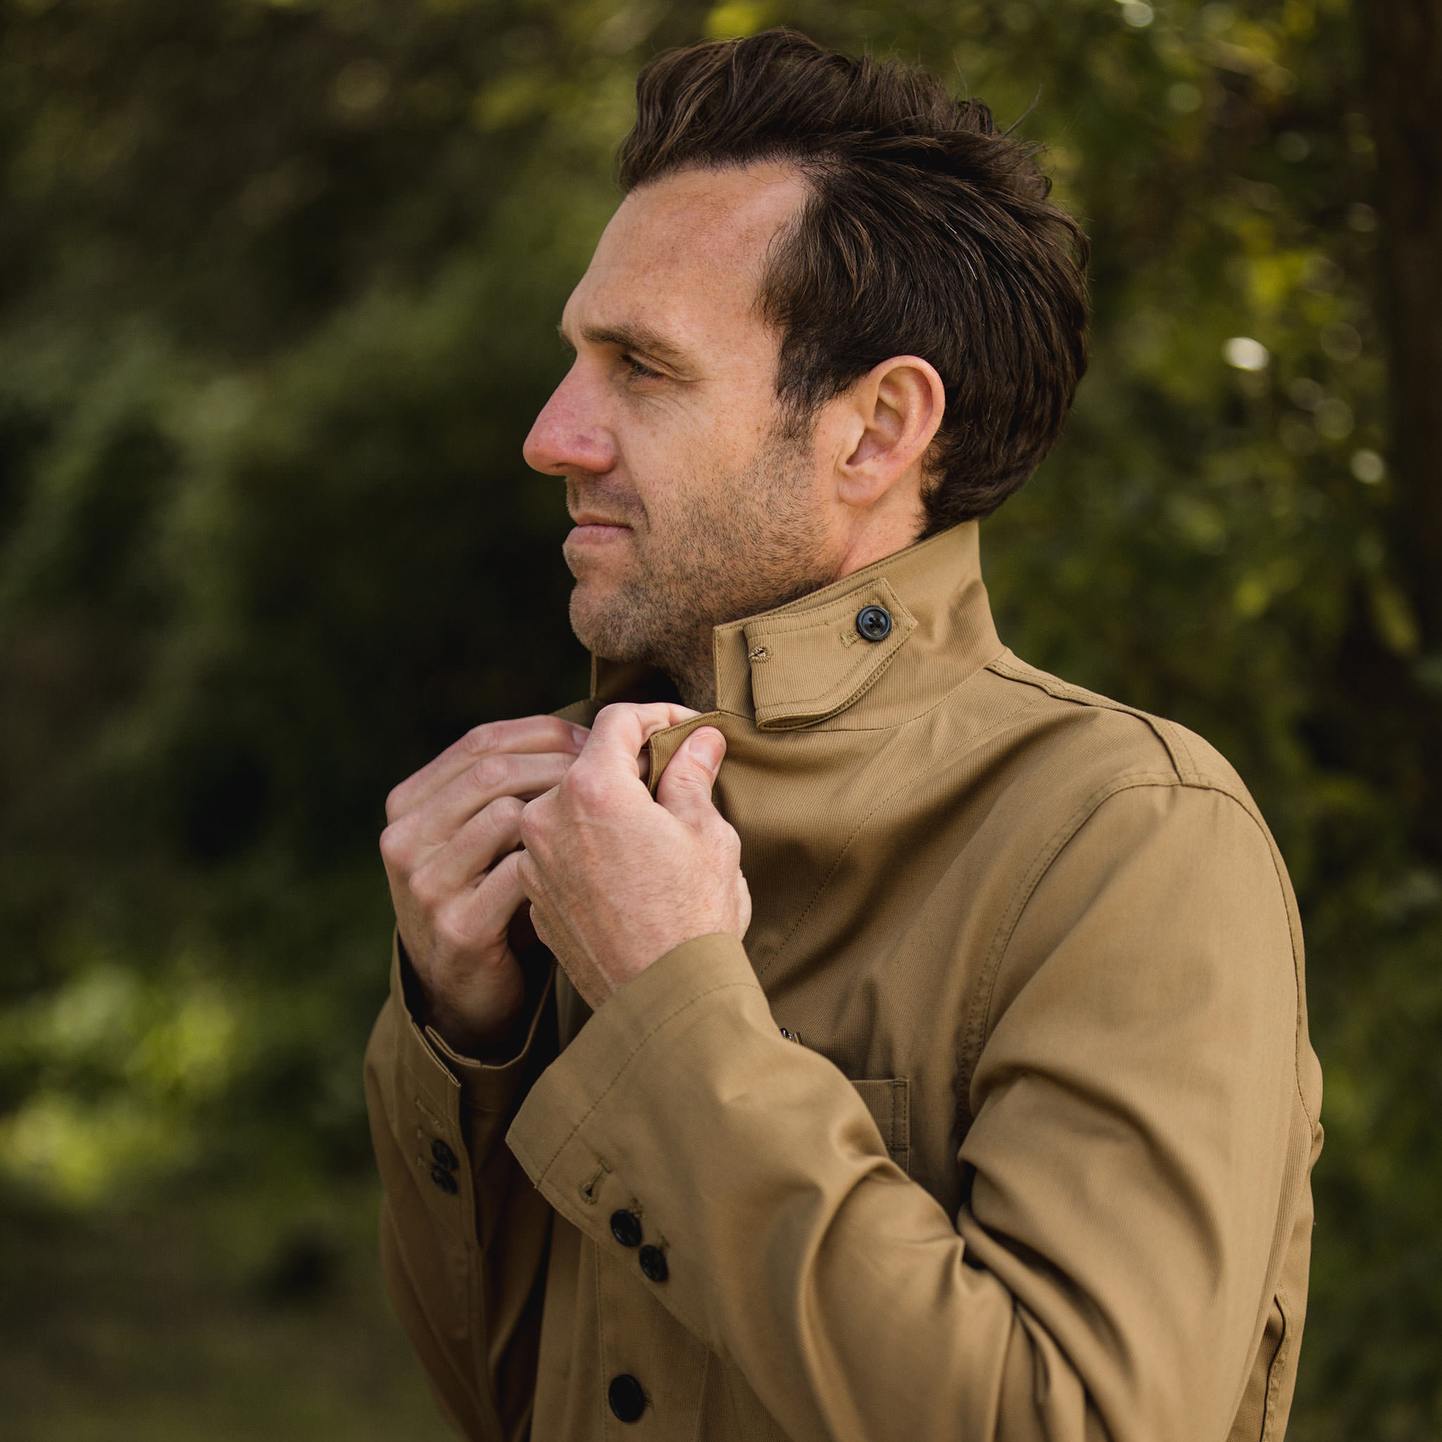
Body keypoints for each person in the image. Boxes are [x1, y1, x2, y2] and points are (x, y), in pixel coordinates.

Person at [363, 27, 1323, 1442]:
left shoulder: (1129, 836)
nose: (551, 434)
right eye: (576, 359)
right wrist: (465, 1038)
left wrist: (668, 1005)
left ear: (875, 430)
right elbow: (505, 1401)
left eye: (641, 367)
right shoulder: (589, 826)